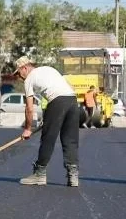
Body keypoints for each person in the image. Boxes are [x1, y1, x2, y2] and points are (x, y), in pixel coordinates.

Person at [13, 56, 81, 187]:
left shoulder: (29, 79)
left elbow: (29, 108)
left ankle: (39, 174)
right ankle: (73, 176)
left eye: (18, 73)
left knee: (48, 138)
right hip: (72, 100)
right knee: (70, 139)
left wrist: (28, 129)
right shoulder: (48, 69)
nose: (19, 77)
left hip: (57, 101)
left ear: (24, 68)